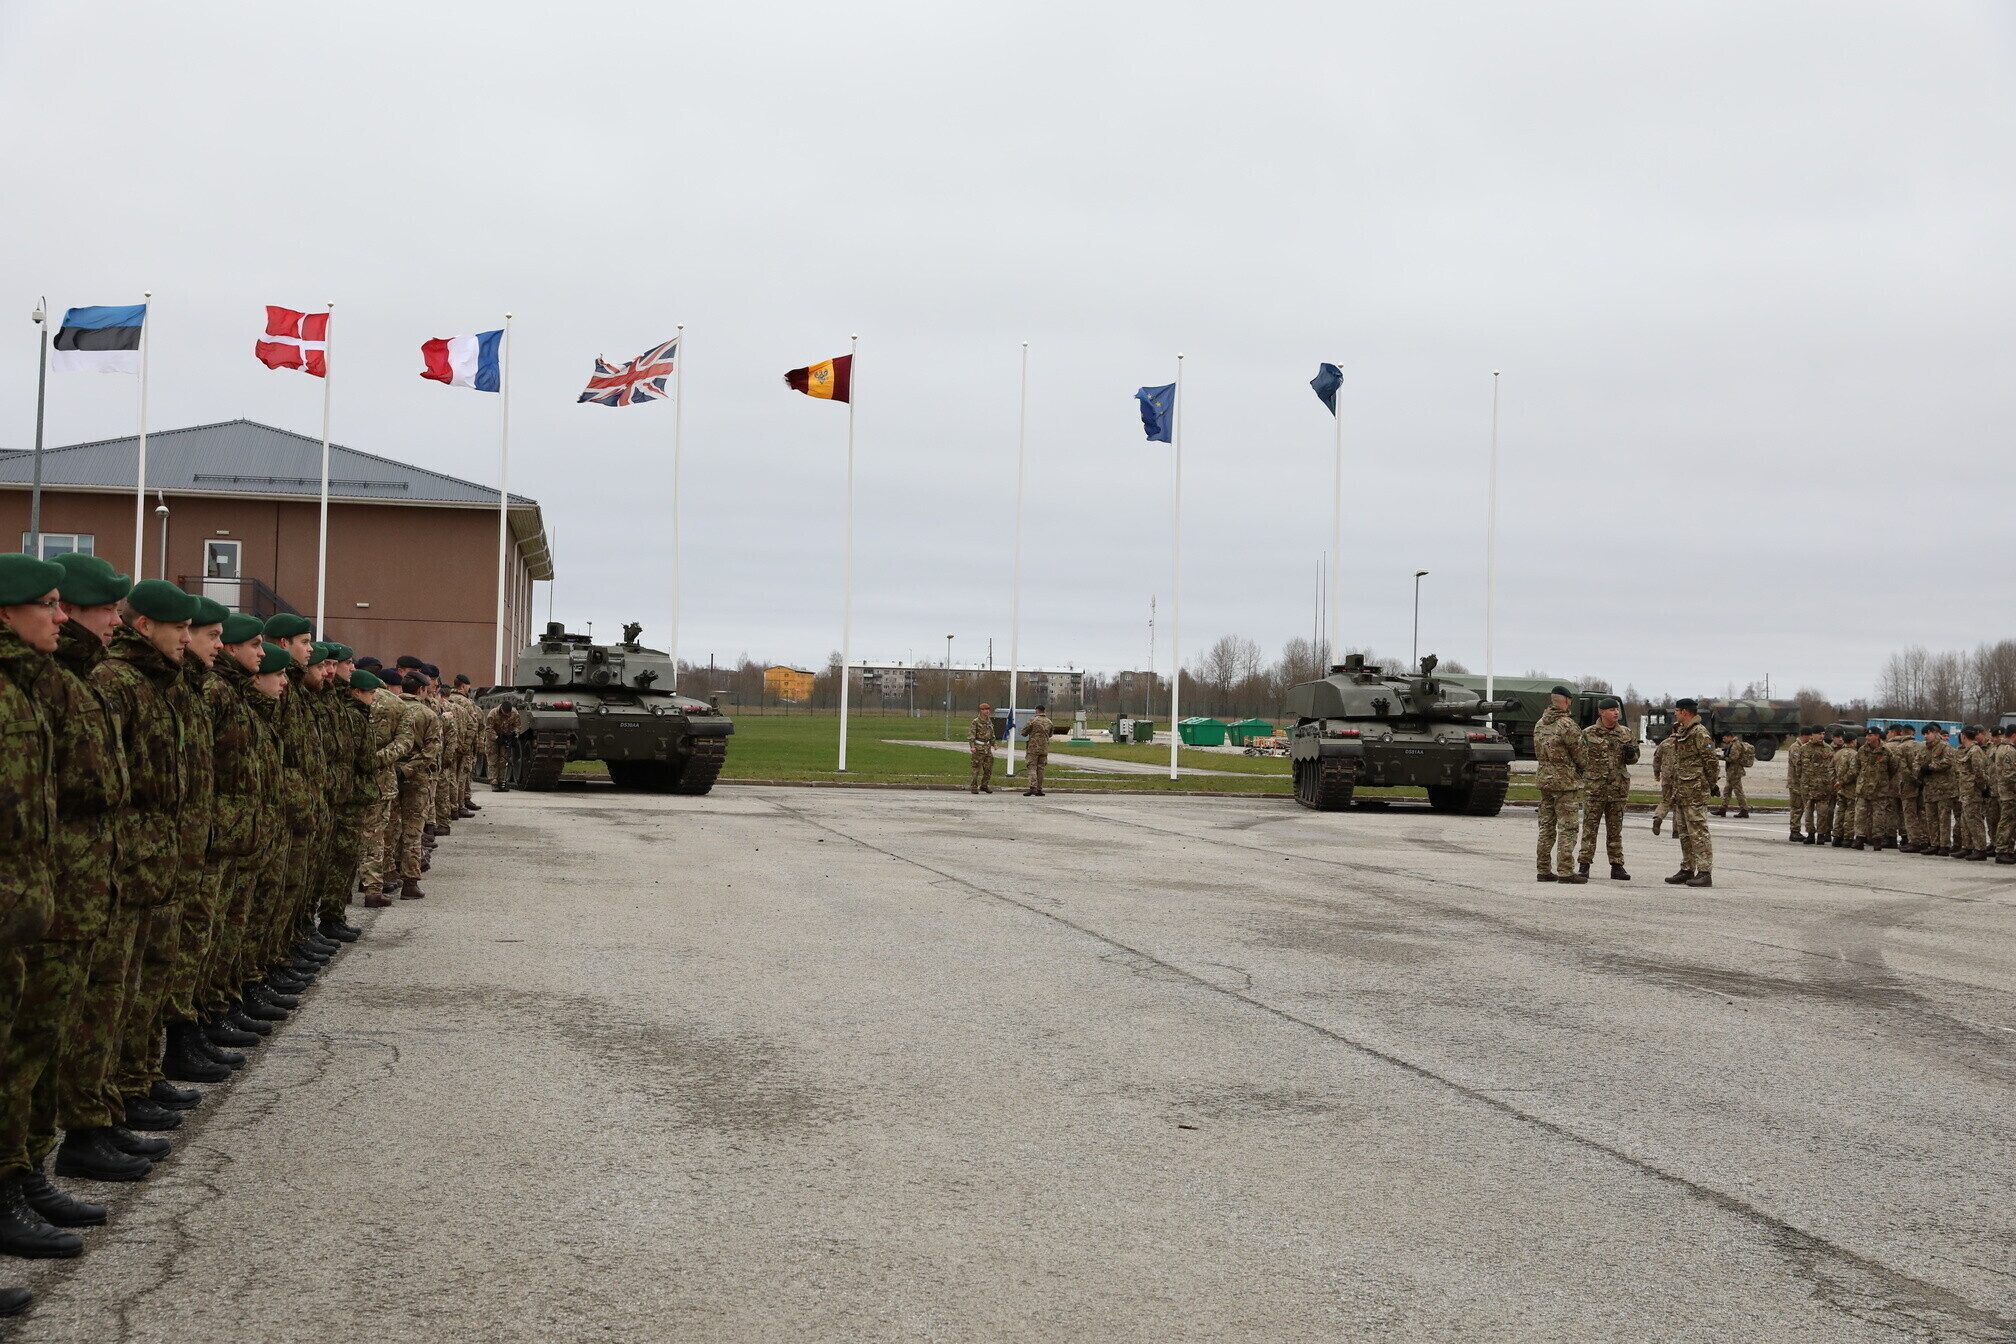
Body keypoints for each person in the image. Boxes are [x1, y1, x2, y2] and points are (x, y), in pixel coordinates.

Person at [0, 553, 76, 1264]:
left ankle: (18, 1180)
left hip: (21, 909)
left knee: (21, 1056)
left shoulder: (25, 686)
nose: (61, 616)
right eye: (47, 604)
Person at [1532, 686, 1587, 883]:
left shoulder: (1540, 724)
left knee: (1546, 827)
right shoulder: (1567, 725)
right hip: (1565, 783)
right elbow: (1580, 755)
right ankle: (1565, 871)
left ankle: (1543, 869)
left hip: (1545, 780)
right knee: (1568, 828)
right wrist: (1583, 769)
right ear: (1567, 701)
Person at [1576, 698, 1636, 880]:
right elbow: (1578, 758)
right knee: (1589, 828)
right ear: (1601, 712)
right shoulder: (1588, 734)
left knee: (1615, 829)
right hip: (1595, 789)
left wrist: (1631, 754)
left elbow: (1634, 759)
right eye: (1611, 710)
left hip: (1617, 789)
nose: (1616, 713)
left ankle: (1617, 865)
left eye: (1616, 709)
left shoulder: (1626, 733)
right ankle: (1584, 865)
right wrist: (1586, 778)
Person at [1664, 699, 1717, 886]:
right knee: (1685, 833)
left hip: (1695, 791)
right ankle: (1687, 868)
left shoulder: (1699, 733)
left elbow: (1711, 761)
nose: (1675, 713)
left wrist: (1711, 784)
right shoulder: (1683, 732)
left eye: (1677, 711)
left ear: (1685, 712)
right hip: (1682, 791)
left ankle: (1704, 872)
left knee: (1698, 832)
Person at [1850, 725, 1894, 851]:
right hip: (1863, 788)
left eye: (1870, 735)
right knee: (1860, 814)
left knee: (1878, 816)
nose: (1867, 738)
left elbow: (1893, 768)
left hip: (1879, 789)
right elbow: (1856, 767)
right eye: (1866, 735)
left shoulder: (1886, 751)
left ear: (1877, 736)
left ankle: (1877, 840)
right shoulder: (1862, 750)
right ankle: (1859, 838)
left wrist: (1883, 781)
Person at [1919, 725, 1958, 856]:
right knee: (1931, 819)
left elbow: (1948, 762)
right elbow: (1916, 762)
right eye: (1924, 734)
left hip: (1944, 789)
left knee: (1944, 819)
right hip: (1929, 788)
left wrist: (1931, 767)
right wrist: (1919, 770)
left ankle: (1944, 845)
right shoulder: (1924, 748)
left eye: (1928, 733)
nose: (1925, 736)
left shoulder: (1944, 746)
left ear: (1935, 733)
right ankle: (1934, 844)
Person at [1954, 726, 1992, 860]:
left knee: (1974, 821)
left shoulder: (1975, 751)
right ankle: (1967, 847)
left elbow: (1979, 773)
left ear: (1963, 736)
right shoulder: (1968, 750)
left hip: (1973, 792)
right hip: (1966, 792)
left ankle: (1980, 849)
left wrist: (1983, 788)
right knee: (1965, 821)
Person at [1888, 724, 1926, 852]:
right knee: (1922, 813)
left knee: (1909, 814)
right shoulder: (1922, 746)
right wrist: (1919, 780)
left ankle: (1914, 841)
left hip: (1907, 785)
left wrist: (1912, 779)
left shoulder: (1900, 748)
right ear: (1913, 733)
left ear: (1902, 734)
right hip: (1922, 784)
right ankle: (1925, 839)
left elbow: (1900, 767)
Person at [1826, 728, 1859, 848]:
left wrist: (1835, 781)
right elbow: (1853, 772)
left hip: (1839, 788)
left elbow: (1830, 768)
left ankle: (1837, 836)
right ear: (1853, 741)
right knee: (1850, 812)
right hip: (1850, 787)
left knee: (1840, 811)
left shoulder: (1838, 753)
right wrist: (1842, 781)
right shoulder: (1855, 754)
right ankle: (1847, 837)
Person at [1713, 733, 1754, 818]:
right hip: (1731, 772)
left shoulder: (1735, 745)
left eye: (1724, 738)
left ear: (1729, 737)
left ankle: (1744, 810)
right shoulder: (1731, 745)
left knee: (1738, 791)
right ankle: (1722, 809)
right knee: (1727, 791)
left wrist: (1721, 757)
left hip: (1735, 772)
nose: (1723, 740)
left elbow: (1733, 758)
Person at [484, 696, 520, 792]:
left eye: (509, 713)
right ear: (502, 710)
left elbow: (517, 726)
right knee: (493, 760)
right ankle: (494, 782)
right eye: (506, 713)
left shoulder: (514, 713)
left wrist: (514, 735)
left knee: (503, 760)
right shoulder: (493, 714)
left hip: (505, 737)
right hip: (493, 739)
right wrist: (496, 738)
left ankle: (501, 781)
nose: (508, 715)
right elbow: (488, 728)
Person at [1020, 705, 1057, 797]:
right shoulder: (1049, 722)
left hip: (1033, 748)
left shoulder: (1032, 721)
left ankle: (1033, 787)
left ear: (1037, 711)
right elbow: (1051, 734)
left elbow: (1023, 733)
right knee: (1041, 768)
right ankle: (1039, 788)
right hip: (1044, 748)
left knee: (1032, 766)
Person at [968, 702, 997, 795]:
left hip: (987, 748)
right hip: (978, 748)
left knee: (988, 768)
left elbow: (992, 734)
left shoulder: (989, 721)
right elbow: (971, 734)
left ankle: (984, 785)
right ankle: (973, 786)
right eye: (984, 709)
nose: (987, 711)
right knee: (976, 768)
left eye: (988, 709)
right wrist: (972, 746)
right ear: (981, 711)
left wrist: (994, 744)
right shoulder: (976, 721)